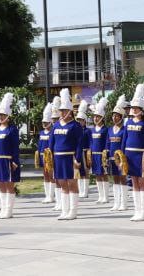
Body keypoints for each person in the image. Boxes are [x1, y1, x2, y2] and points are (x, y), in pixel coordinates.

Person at [123, 85, 144, 221]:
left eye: (136, 108)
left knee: (142, 182)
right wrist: (122, 156)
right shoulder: (128, 122)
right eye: (132, 108)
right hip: (129, 155)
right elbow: (124, 139)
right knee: (134, 181)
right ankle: (137, 210)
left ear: (141, 110)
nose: (133, 110)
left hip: (141, 155)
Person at [50, 88, 83, 221]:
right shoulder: (56, 125)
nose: (62, 113)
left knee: (72, 183)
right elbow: (51, 143)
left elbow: (79, 144)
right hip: (58, 157)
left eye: (64, 111)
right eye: (61, 110)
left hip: (70, 157)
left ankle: (73, 211)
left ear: (70, 112)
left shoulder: (75, 126)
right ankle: (64, 210)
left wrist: (78, 159)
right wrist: (49, 158)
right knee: (62, 183)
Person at [0, 92, 20, 219]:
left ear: (8, 116)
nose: (0, 117)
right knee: (1, 184)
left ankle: (9, 211)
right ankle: (2, 209)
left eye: (3, 115)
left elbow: (15, 146)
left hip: (8, 160)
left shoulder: (12, 130)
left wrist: (15, 161)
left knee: (9, 185)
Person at [105, 95, 127, 213]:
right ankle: (116, 202)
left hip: (121, 159)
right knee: (115, 180)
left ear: (121, 117)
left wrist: (122, 159)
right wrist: (106, 156)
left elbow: (124, 144)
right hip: (111, 159)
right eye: (113, 115)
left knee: (122, 179)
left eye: (117, 116)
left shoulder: (124, 129)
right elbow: (107, 143)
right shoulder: (109, 129)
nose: (114, 117)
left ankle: (124, 203)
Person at [87, 98, 109, 204]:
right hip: (94, 155)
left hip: (102, 155)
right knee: (97, 175)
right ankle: (100, 196)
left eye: (98, 117)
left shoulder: (105, 130)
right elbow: (91, 142)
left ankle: (106, 196)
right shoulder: (92, 130)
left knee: (104, 175)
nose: (95, 118)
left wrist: (105, 154)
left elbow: (107, 142)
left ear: (102, 118)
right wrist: (90, 154)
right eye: (95, 116)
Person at [37, 102, 54, 204]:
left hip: (49, 157)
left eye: (46, 122)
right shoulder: (41, 133)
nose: (44, 124)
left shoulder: (52, 132)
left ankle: (51, 196)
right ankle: (47, 195)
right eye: (43, 122)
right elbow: (39, 145)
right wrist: (38, 156)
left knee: (51, 175)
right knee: (45, 175)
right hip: (42, 156)